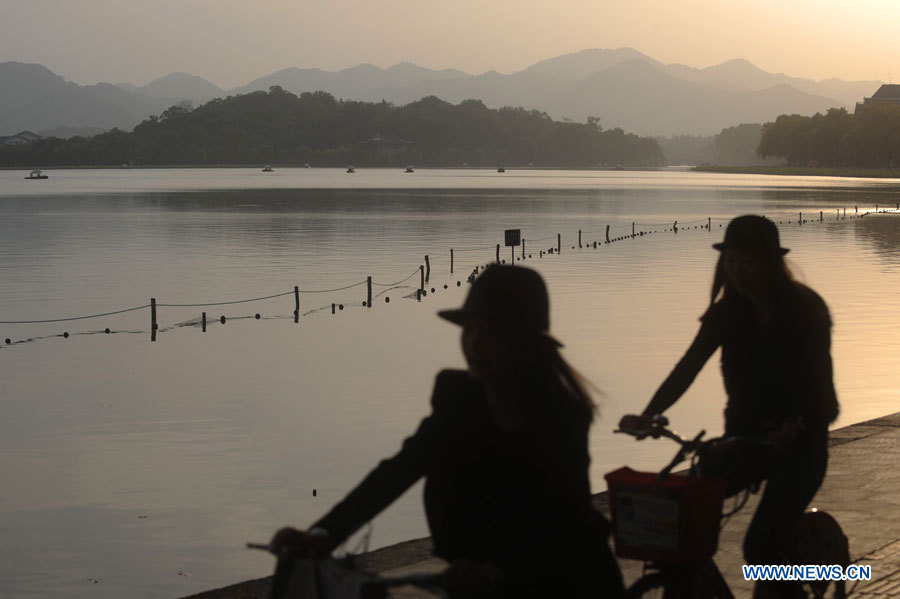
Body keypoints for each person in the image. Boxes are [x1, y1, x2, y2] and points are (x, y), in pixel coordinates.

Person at [271, 265, 624, 598]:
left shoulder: (562, 416)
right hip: (475, 580)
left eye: (491, 333)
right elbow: (399, 470)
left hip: (566, 579)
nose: (474, 344)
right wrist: (324, 533)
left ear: (528, 345)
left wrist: (498, 568)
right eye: (469, 331)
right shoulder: (458, 401)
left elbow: (562, 518)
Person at [620, 214, 839, 598]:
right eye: (731, 261)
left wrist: (799, 425)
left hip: (801, 447)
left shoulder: (805, 310)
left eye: (748, 261)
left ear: (772, 262)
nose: (738, 271)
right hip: (744, 441)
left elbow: (821, 390)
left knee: (759, 551)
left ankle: (792, 590)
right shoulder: (726, 314)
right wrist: (650, 413)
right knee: (680, 520)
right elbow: (687, 367)